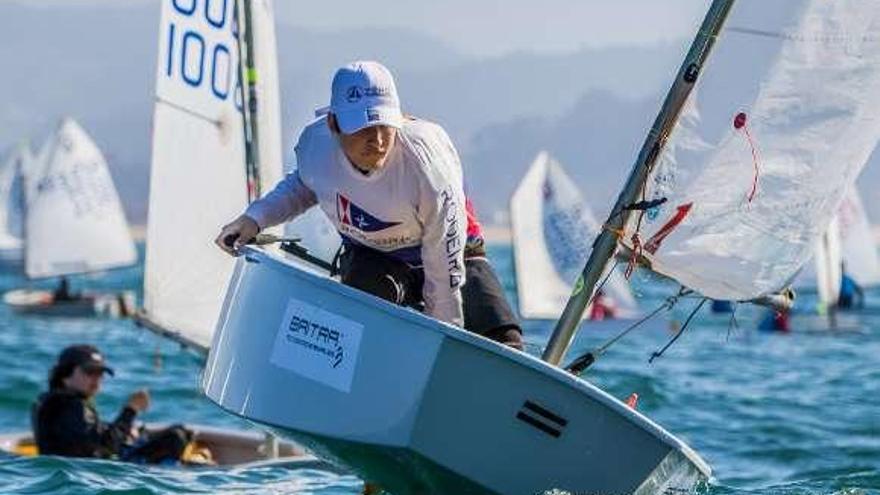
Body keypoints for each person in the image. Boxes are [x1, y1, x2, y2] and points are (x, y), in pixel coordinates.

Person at [215, 60, 523, 350]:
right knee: (364, 314)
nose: (376, 140)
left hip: (452, 249)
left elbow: (443, 269)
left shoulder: (428, 166)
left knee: (504, 338)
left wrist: (440, 345)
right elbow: (302, 187)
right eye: (362, 127)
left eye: (384, 125)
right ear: (334, 124)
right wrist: (253, 220)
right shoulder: (316, 146)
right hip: (375, 256)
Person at [32, 344, 193, 463]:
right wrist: (131, 409)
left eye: (100, 373)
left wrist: (129, 431)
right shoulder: (72, 406)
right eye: (89, 372)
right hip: (91, 473)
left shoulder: (47, 401)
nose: (97, 379)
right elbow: (106, 445)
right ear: (65, 375)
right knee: (177, 436)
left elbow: (87, 437)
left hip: (73, 469)